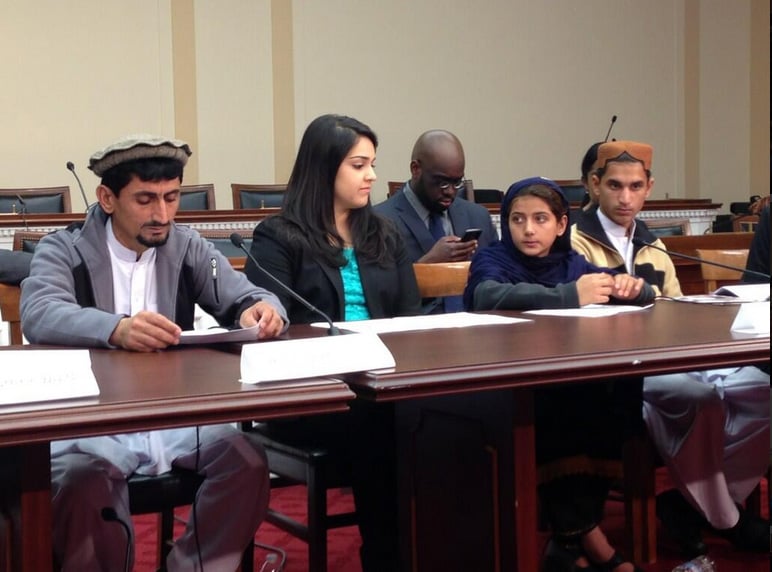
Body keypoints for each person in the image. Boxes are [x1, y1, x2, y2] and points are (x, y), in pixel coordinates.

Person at [20, 134, 289, 571]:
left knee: (247, 462)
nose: (162, 214)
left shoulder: (186, 245)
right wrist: (116, 329)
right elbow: (39, 312)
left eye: (171, 197)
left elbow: (248, 296)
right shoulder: (64, 248)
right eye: (146, 199)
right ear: (107, 198)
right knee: (83, 483)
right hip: (94, 425)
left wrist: (259, 311)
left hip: (171, 416)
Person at [572, 140, 770, 557]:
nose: (626, 198)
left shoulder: (652, 243)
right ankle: (727, 519)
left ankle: (686, 506)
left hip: (672, 357)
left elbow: (677, 308)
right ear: (594, 185)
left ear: (649, 187)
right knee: (700, 399)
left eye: (635, 186)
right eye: (615, 186)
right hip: (621, 373)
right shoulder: (574, 243)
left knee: (761, 393)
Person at [245, 114, 421, 571]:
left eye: (373, 164)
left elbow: (409, 318)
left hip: (381, 384)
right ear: (325, 168)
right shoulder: (277, 237)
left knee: (446, 418)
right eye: (359, 165)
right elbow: (273, 326)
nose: (373, 176)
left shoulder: (384, 233)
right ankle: (388, 559)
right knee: (388, 429)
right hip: (313, 396)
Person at [465, 176, 653, 572]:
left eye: (539, 219)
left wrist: (633, 288)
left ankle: (568, 543)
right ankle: (593, 541)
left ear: (561, 224)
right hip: (510, 386)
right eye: (517, 220)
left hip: (567, 378)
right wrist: (571, 295)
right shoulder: (494, 259)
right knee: (561, 403)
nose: (528, 230)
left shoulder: (572, 263)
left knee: (616, 390)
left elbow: (633, 291)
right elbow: (487, 296)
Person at [374, 129, 497, 313]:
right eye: (441, 182)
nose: (450, 191)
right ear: (416, 169)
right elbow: (377, 297)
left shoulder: (477, 216)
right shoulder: (378, 221)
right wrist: (428, 264)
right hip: (414, 333)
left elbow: (498, 276)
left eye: (457, 183)